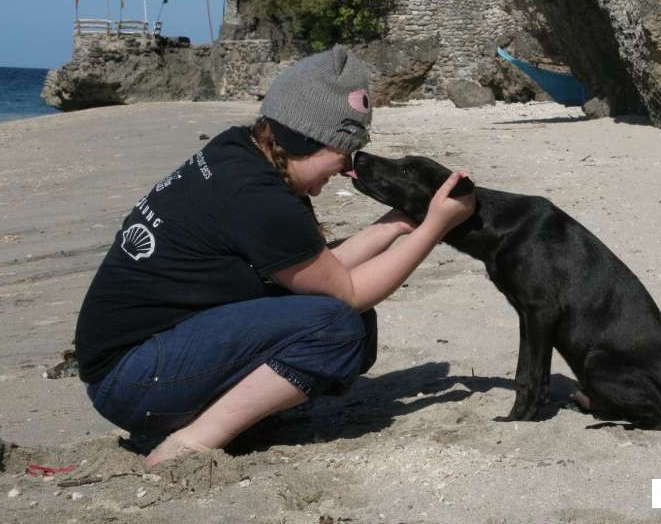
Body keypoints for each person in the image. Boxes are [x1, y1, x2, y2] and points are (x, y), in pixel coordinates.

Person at [74, 45, 475, 468]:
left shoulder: (243, 156)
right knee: (336, 326)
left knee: (341, 317)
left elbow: (322, 270)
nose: (347, 167)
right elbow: (348, 292)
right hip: (131, 381)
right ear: (307, 138)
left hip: (143, 363)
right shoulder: (258, 197)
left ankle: (228, 415)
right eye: (344, 150)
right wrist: (435, 227)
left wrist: (397, 223)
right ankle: (191, 443)